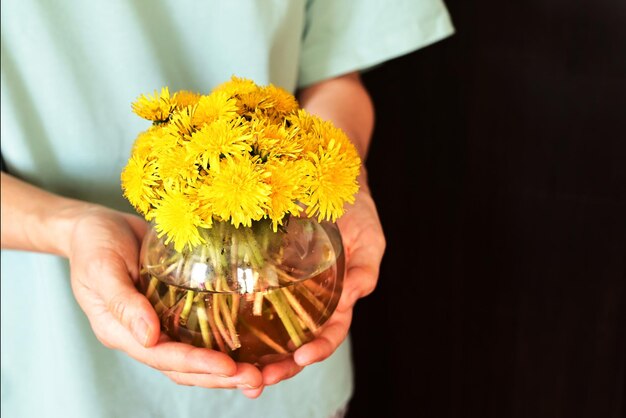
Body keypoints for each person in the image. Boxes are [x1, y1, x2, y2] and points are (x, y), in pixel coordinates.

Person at [0, 1, 454, 417]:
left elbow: (335, 77)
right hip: (61, 374)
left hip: (297, 377)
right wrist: (70, 227)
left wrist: (337, 180)